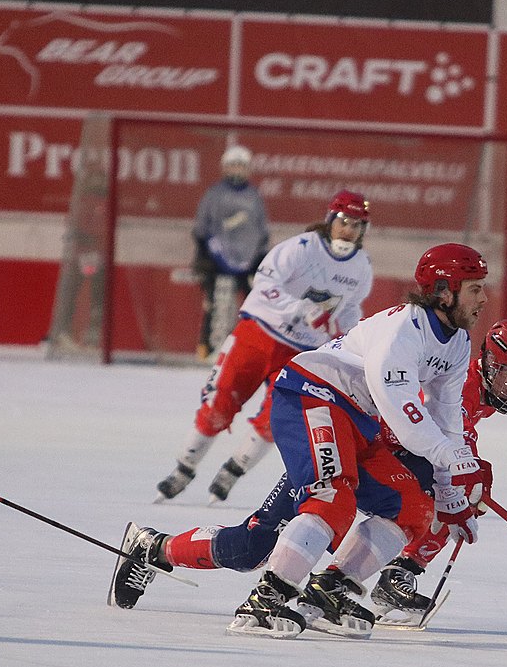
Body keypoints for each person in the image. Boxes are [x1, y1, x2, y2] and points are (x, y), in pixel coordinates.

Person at [109, 319, 507, 626]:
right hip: (341, 439)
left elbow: (442, 465)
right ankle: (153, 548)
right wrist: (461, 470)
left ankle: (360, 583)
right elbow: (404, 425)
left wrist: (461, 475)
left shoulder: (476, 400)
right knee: (250, 548)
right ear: (491, 361)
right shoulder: (457, 384)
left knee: (432, 498)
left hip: (368, 458)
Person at [155, 190, 373, 505]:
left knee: (277, 417)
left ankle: (234, 470)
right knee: (220, 401)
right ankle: (185, 466)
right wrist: (298, 308)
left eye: (357, 225)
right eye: (344, 222)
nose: (349, 231)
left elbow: (351, 311)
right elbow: (265, 283)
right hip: (260, 333)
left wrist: (356, 343)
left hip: (303, 351)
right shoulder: (301, 248)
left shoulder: (361, 266)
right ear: (330, 220)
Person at [192, 145, 268, 359]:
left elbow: (261, 231)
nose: (237, 170)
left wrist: (258, 259)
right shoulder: (214, 194)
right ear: (224, 168)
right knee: (214, 303)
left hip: (248, 260)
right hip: (217, 259)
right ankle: (206, 348)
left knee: (254, 306)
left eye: (241, 166)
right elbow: (202, 227)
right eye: (232, 165)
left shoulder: (254, 196)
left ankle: (251, 350)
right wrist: (205, 255)